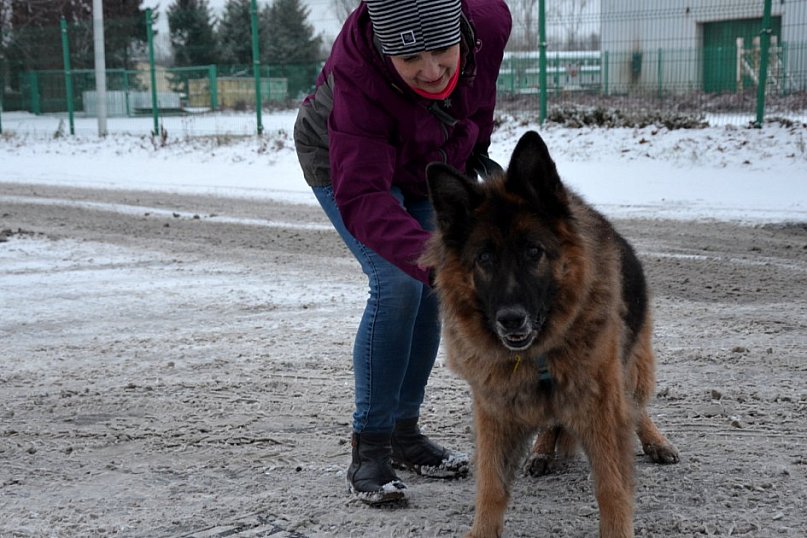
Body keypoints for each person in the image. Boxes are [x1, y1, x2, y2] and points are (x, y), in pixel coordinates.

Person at [293, 0, 511, 505]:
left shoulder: (489, 22)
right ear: (386, 52)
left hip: (426, 158)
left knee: (432, 292)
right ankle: (370, 449)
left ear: (462, 33)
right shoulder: (358, 74)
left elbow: (478, 94)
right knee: (400, 283)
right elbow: (364, 196)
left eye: (442, 51)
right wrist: (436, 259)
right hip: (345, 162)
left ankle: (405, 434)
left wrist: (473, 143)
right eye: (412, 59)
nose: (432, 71)